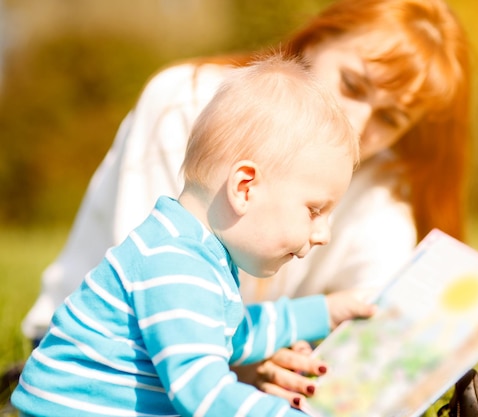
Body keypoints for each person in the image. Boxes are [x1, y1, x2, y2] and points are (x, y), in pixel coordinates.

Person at [15, 0, 478, 408]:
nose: (360, 126)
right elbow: (177, 337)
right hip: (108, 374)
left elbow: (382, 325)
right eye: (354, 85)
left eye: (392, 118)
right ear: (313, 43)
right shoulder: (189, 108)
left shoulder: (379, 185)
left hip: (227, 363)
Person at [11, 54, 376, 417]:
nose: (323, 234)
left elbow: (235, 333)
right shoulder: (177, 263)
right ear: (245, 188)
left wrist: (325, 312)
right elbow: (204, 395)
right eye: (314, 210)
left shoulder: (191, 251)